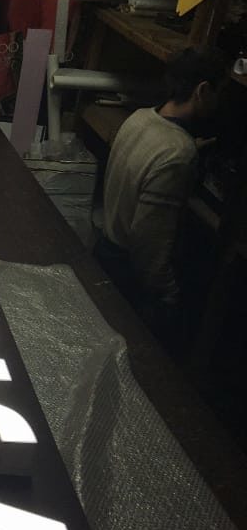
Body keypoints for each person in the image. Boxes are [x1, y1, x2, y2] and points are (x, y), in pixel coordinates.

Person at [95, 46, 228, 335]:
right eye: (219, 92)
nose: (219, 101)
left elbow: (151, 158)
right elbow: (149, 245)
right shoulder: (178, 153)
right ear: (203, 90)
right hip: (128, 277)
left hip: (104, 252)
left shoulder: (140, 118)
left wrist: (188, 147)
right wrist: (168, 293)